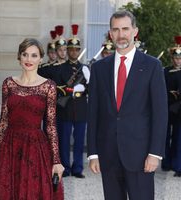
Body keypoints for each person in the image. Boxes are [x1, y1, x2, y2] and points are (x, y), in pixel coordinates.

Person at [87, 10, 168, 200]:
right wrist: (93, 153)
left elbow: (160, 113)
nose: (121, 34)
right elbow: (93, 113)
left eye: (125, 29)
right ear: (110, 33)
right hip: (108, 154)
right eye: (116, 30)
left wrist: (155, 153)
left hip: (141, 155)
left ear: (135, 31)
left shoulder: (152, 66)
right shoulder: (99, 68)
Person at [0, 38, 64, 199]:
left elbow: (50, 126)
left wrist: (56, 161)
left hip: (35, 148)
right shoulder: (9, 83)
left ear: (40, 59)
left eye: (34, 55)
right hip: (10, 147)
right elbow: (3, 122)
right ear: (19, 57)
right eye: (25, 54)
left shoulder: (48, 86)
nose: (29, 59)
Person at [58, 24, 90, 178]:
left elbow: (91, 89)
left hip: (81, 108)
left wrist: (86, 86)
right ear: (67, 51)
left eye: (76, 50)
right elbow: (57, 88)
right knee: (64, 141)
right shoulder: (61, 68)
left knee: (79, 142)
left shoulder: (84, 68)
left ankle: (77, 168)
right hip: (66, 108)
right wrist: (70, 89)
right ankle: (65, 167)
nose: (73, 52)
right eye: (71, 49)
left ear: (79, 51)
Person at [161, 36, 181, 172]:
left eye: (179, 58)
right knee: (165, 135)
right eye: (175, 58)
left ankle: (177, 164)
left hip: (180, 108)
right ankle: (166, 162)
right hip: (167, 106)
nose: (177, 60)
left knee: (178, 137)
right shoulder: (165, 71)